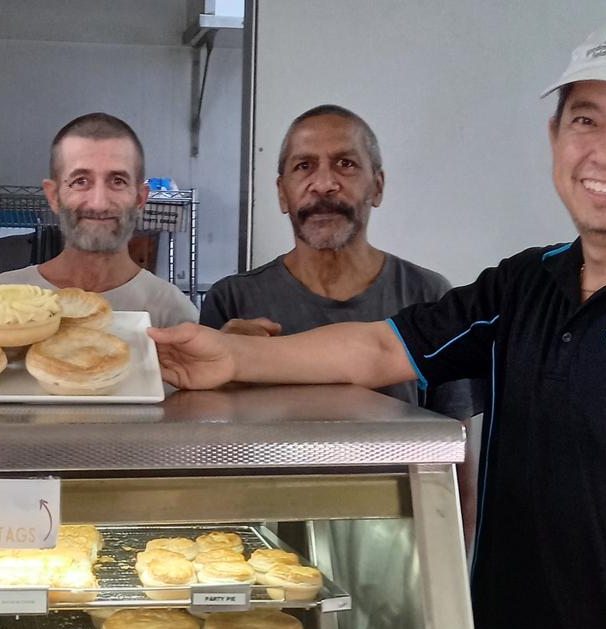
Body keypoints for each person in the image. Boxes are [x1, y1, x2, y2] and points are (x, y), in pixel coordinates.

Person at [150, 16, 606, 629]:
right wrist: (234, 355)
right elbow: (379, 348)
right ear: (556, 139)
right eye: (586, 120)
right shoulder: (527, 284)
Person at [201, 104, 478, 421]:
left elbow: (454, 439)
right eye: (304, 166)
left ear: (377, 187)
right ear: (282, 193)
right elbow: (208, 434)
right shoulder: (231, 301)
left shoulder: (429, 294)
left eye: (345, 164)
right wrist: (226, 373)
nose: (323, 184)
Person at [0, 113, 198, 328]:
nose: (99, 203)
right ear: (53, 196)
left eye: (118, 181)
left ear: (140, 198)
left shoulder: (174, 314)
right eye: (81, 181)